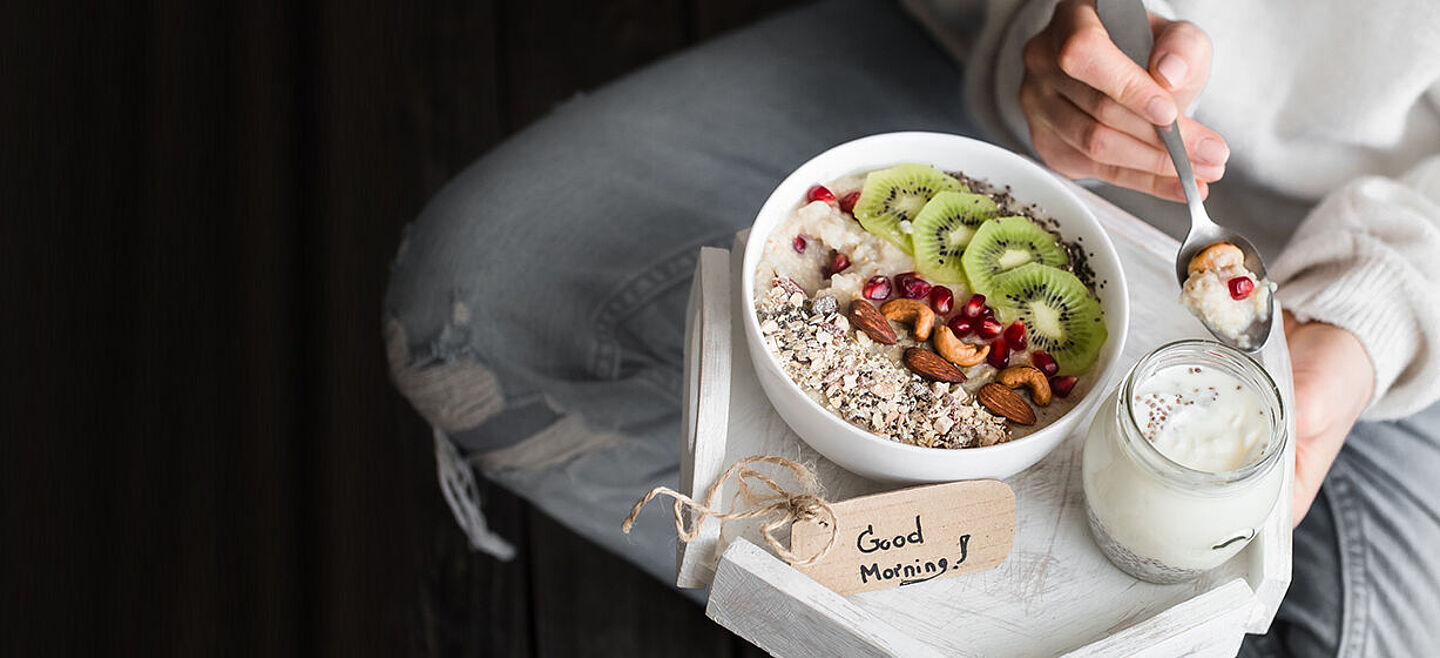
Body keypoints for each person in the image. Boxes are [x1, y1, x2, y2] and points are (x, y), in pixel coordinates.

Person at [384, 0, 1440, 653]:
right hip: (987, 108)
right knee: (468, 316)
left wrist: (1365, 320)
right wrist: (1066, 21)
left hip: (1395, 265)